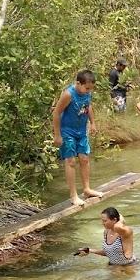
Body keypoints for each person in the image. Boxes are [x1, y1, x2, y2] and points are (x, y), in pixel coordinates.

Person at [52, 69, 102, 206]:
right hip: (67, 132)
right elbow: (56, 113)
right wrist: (57, 135)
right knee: (71, 161)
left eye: (90, 89)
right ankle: (73, 195)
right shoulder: (68, 94)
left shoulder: (87, 93)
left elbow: (88, 106)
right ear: (78, 83)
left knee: (84, 159)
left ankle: (87, 189)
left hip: (81, 131)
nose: (88, 91)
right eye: (87, 88)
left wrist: (93, 123)